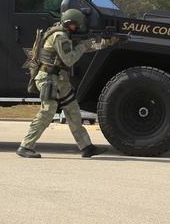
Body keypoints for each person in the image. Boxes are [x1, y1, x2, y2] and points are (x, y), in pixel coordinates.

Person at [18, 9, 117, 158]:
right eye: (75, 25)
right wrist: (84, 45)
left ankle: (86, 147)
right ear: (68, 23)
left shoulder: (65, 33)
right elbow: (69, 59)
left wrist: (104, 43)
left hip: (58, 79)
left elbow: (85, 46)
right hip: (48, 79)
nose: (77, 28)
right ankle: (26, 146)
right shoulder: (60, 36)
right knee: (48, 111)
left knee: (73, 111)